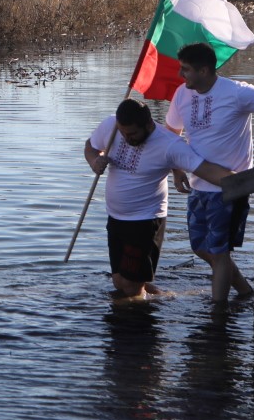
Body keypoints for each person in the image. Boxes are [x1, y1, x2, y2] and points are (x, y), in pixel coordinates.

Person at [165, 41, 254, 304]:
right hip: (198, 185)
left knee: (218, 252)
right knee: (201, 248)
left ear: (204, 70)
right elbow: (171, 132)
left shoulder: (237, 92)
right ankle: (245, 291)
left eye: (186, 69)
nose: (181, 75)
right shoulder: (182, 94)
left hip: (230, 188)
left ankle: (218, 315)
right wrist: (177, 169)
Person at [86, 99, 233, 300]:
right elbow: (91, 146)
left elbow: (206, 169)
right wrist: (95, 161)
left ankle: (137, 323)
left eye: (132, 134)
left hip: (145, 220)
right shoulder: (111, 126)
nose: (127, 138)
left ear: (148, 125)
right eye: (123, 133)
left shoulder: (169, 144)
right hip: (116, 217)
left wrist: (248, 182)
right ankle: (163, 297)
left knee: (130, 286)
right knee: (119, 280)